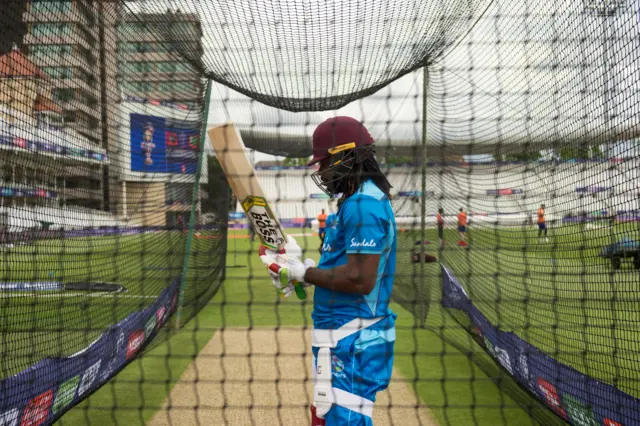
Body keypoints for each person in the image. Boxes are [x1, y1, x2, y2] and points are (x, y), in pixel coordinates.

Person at [259, 116, 397, 425]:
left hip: (352, 338)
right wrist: (306, 268)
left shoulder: (363, 203)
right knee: (326, 417)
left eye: (324, 162)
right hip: (345, 336)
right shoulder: (356, 201)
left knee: (341, 420)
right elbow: (344, 269)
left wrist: (301, 273)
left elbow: (360, 279)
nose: (320, 171)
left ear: (347, 156)